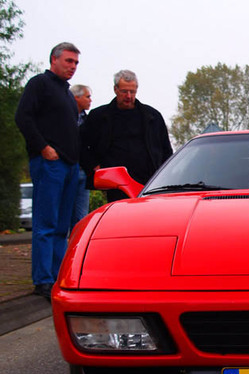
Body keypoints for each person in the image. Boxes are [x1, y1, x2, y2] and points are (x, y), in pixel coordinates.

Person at [14, 42, 81, 300]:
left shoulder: (65, 93)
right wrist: (43, 147)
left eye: (75, 63)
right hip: (49, 163)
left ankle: (57, 276)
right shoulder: (39, 84)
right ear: (54, 60)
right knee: (46, 223)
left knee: (62, 226)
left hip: (69, 165)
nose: (72, 67)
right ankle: (42, 279)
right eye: (68, 61)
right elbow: (23, 117)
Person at [81, 70, 173, 202]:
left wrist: (164, 176)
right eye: (124, 91)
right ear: (115, 89)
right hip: (115, 183)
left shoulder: (153, 117)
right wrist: (94, 167)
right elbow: (82, 145)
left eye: (132, 92)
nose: (129, 96)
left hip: (149, 182)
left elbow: (166, 150)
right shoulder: (99, 117)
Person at [70, 84, 92, 230]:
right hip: (68, 167)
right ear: (76, 98)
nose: (90, 100)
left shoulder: (89, 120)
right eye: (87, 97)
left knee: (81, 215)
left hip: (83, 169)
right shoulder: (65, 118)